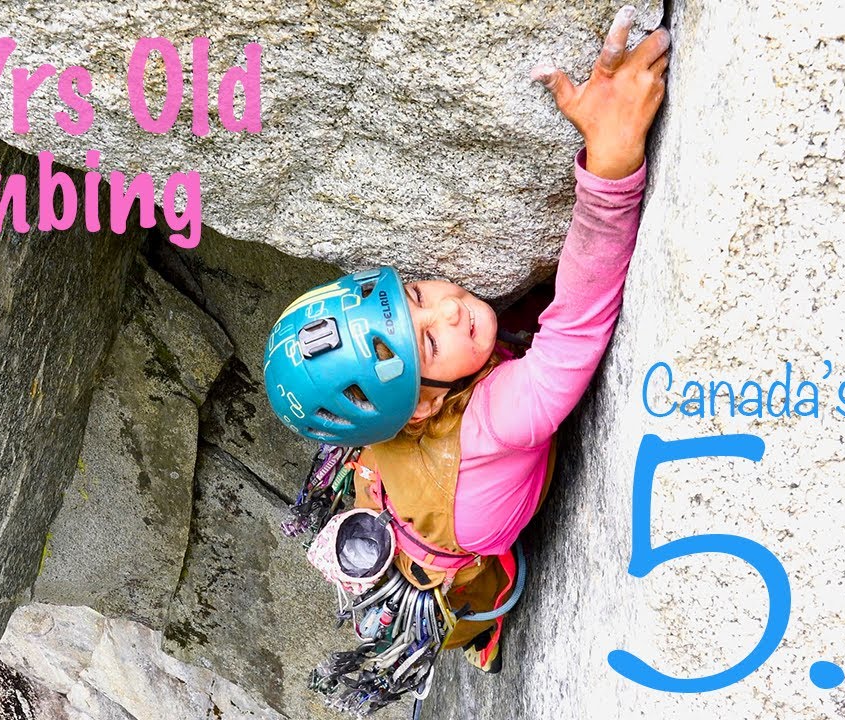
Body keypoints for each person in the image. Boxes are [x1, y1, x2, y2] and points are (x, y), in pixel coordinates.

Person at [264, 5, 670, 675]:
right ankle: (474, 622)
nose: (450, 312)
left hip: (402, 488)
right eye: (425, 346)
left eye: (416, 296)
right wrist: (611, 153)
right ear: (420, 408)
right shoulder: (497, 418)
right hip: (457, 536)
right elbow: (577, 321)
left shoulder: (395, 414)